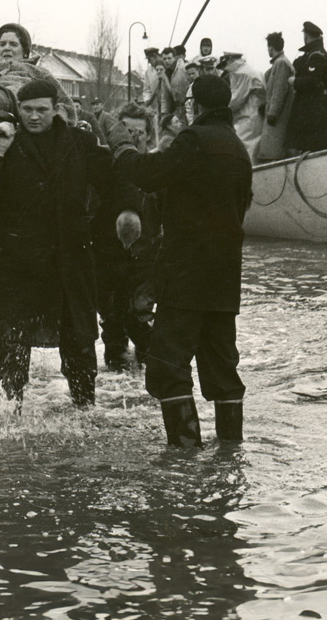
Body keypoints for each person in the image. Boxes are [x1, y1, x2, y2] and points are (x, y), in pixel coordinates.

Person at [107, 74, 252, 448]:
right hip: (224, 280)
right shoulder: (238, 149)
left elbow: (147, 174)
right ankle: (229, 457)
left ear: (194, 105)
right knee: (223, 371)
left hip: (186, 278)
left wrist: (120, 143)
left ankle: (185, 460)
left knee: (166, 367)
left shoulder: (194, 141)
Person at [0, 78, 140, 408]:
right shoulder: (7, 143)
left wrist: (128, 211)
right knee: (11, 343)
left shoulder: (79, 142)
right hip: (18, 260)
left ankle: (85, 409)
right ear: (18, 111)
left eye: (41, 110)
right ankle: (10, 415)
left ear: (56, 110)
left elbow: (115, 180)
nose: (34, 117)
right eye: (27, 110)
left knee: (80, 341)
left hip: (71, 257)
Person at [93, 102, 156, 371]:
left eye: (139, 132)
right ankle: (116, 392)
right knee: (112, 327)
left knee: (141, 321)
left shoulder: (157, 169)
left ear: (149, 135)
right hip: (108, 259)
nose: (132, 137)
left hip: (146, 261)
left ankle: (151, 385)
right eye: (126, 130)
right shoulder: (105, 167)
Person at [285, 21, 327, 154]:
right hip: (316, 107)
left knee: (312, 147)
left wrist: (295, 81)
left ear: (306, 36)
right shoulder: (318, 54)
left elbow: (313, 80)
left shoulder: (315, 56)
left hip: (312, 108)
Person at [256, 32, 295, 162]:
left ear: (271, 47)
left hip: (277, 118)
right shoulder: (280, 62)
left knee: (272, 152)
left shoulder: (281, 63)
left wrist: (272, 113)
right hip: (277, 115)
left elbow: (279, 90)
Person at [221, 52, 266, 163]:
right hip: (254, 116)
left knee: (246, 149)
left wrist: (220, 108)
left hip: (248, 118)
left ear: (231, 60)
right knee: (252, 149)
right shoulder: (249, 70)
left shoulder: (243, 73)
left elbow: (235, 100)